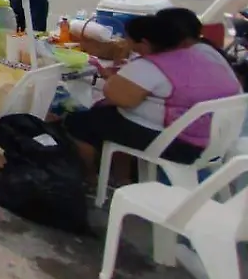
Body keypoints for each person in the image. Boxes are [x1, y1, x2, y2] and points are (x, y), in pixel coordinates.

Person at [63, 14, 240, 173]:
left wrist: (115, 78)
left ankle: (93, 179)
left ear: (145, 43)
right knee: (108, 116)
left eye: (128, 39)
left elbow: (117, 97)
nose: (126, 43)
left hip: (184, 145)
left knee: (79, 122)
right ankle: (122, 174)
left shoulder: (151, 66)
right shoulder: (205, 51)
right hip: (221, 136)